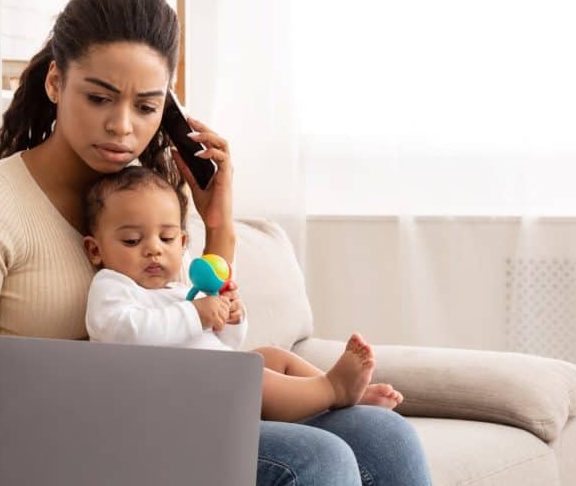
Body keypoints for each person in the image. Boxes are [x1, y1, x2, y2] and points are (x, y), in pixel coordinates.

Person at [0, 0, 443, 486]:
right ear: (55, 83)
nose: (122, 126)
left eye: (146, 106)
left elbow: (195, 320)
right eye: (99, 97)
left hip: (167, 421)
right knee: (315, 463)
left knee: (386, 438)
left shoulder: (146, 200)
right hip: (75, 449)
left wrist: (218, 222)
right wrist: (3, 468)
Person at [81, 165, 405, 422]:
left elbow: (225, 344)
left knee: (269, 357)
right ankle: (332, 389)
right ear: (95, 250)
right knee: (248, 377)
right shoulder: (112, 286)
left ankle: (346, 395)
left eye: (166, 239)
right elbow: (121, 333)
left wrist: (229, 318)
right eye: (132, 241)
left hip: (216, 380)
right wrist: (196, 314)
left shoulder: (179, 291)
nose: (153, 250)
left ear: (182, 244)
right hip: (177, 401)